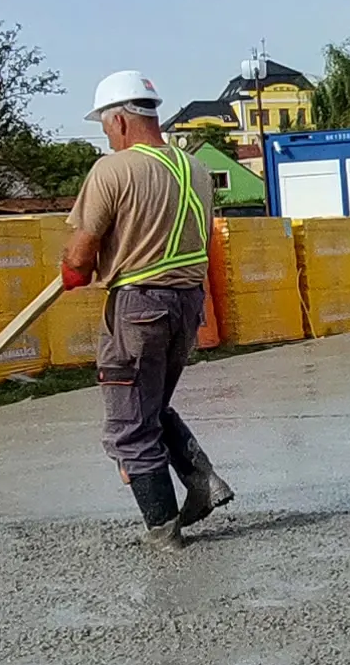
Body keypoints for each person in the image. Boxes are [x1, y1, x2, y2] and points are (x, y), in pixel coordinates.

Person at [59, 70, 236, 546]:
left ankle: (163, 530)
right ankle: (201, 478)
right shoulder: (195, 169)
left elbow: (80, 255)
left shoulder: (112, 170)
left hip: (138, 305)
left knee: (128, 424)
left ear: (119, 120)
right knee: (149, 405)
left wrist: (74, 271)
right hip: (186, 305)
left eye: (103, 125)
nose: (105, 134)